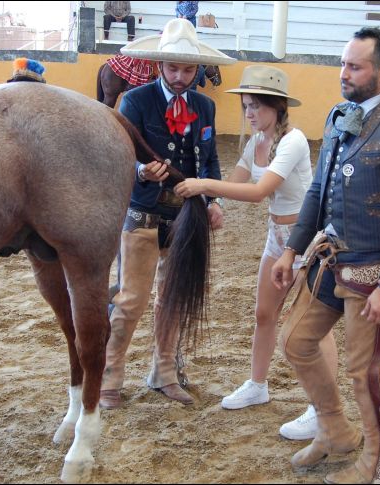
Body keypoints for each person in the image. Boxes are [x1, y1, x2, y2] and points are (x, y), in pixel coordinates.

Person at [271, 27, 380, 483]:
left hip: (372, 271)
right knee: (295, 342)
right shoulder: (337, 115)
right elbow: (318, 191)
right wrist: (291, 250)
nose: (343, 73)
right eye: (343, 63)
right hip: (328, 260)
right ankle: (335, 432)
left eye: (355, 66)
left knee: (364, 372)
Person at [173, 65, 337, 440]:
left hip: (305, 238)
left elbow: (261, 190)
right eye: (246, 106)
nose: (249, 113)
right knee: (265, 313)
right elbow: (238, 181)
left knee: (311, 322)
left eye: (257, 107)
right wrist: (214, 202)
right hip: (276, 235)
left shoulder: (292, 141)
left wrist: (203, 185)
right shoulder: (255, 142)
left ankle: (321, 407)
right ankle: (258, 385)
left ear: (277, 107)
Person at [99, 18, 236, 410]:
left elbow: (208, 160)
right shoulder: (136, 101)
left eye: (188, 69)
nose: (180, 77)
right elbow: (119, 157)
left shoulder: (205, 106)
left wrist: (214, 201)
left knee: (174, 298)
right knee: (131, 300)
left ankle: (164, 373)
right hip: (143, 212)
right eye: (173, 68)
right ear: (160, 66)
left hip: (185, 219)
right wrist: (140, 172)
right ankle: (109, 380)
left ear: (197, 70)